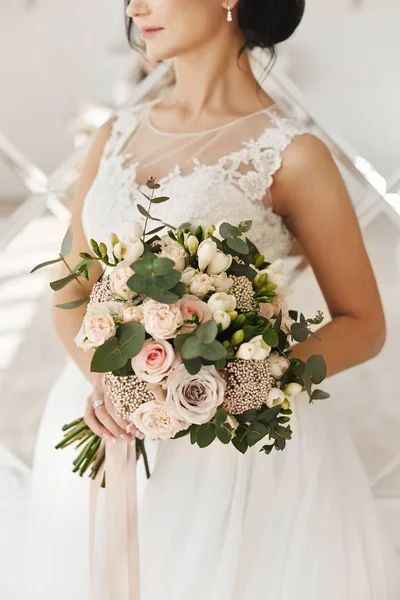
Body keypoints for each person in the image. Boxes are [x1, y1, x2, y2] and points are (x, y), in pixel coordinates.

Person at [30, 1, 398, 598]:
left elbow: (364, 324)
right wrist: (110, 385)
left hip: (231, 449)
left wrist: (241, 383)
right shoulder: (114, 135)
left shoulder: (293, 155)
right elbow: (73, 286)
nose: (133, 6)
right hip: (104, 422)